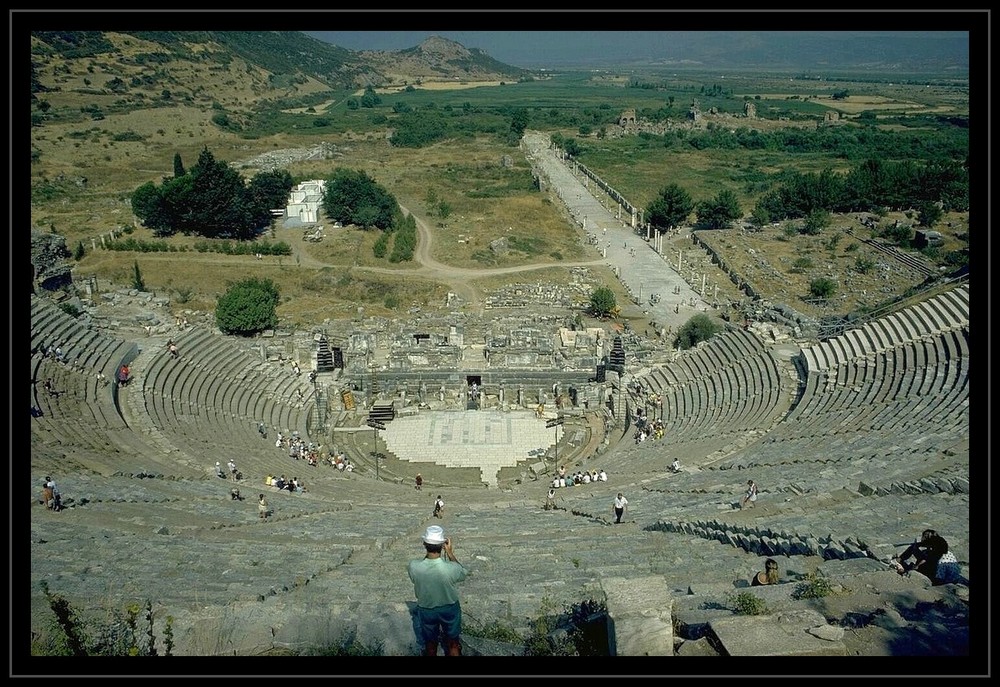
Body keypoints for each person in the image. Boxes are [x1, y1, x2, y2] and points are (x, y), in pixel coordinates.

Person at [407, 525, 469, 656]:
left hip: (426, 608)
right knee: (453, 643)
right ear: (442, 545)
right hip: (449, 608)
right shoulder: (451, 568)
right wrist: (450, 553)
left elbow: (416, 576)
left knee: (430, 644)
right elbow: (462, 572)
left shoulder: (413, 566)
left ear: (424, 544)